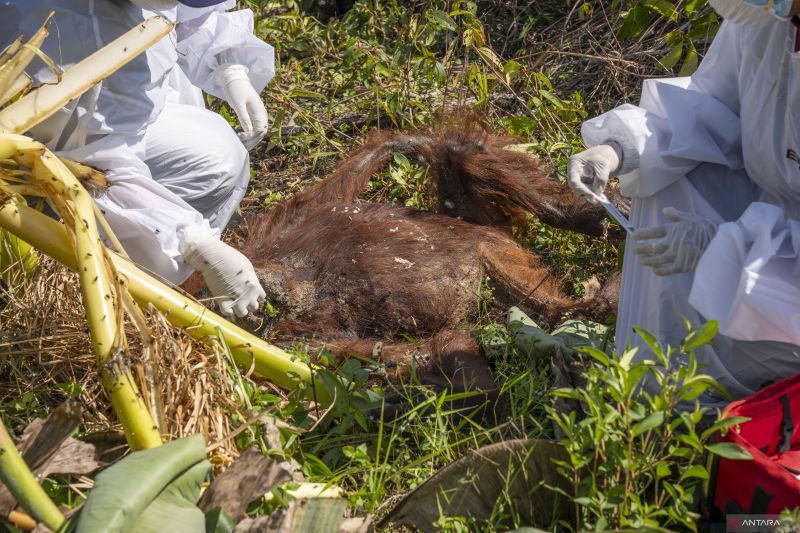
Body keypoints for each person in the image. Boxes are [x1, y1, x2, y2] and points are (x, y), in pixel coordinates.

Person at [567, 0, 800, 407]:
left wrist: (731, 245)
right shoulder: (766, 21)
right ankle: (647, 387)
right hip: (774, 225)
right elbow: (712, 105)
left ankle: (722, 408)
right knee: (670, 173)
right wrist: (619, 149)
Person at [0, 0, 271, 317]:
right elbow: (97, 170)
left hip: (105, 125)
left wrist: (231, 66)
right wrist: (189, 240)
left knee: (219, 155)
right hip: (37, 154)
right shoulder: (68, 37)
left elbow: (192, 17)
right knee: (156, 242)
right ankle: (68, 283)